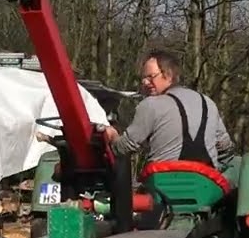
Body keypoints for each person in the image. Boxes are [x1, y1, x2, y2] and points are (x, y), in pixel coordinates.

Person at [98, 50, 234, 167]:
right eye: (143, 78)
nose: (145, 82)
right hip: (206, 183)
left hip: (163, 181)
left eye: (151, 77)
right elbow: (225, 146)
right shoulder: (208, 102)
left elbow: (125, 147)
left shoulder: (151, 104)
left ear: (169, 75)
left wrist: (113, 136)